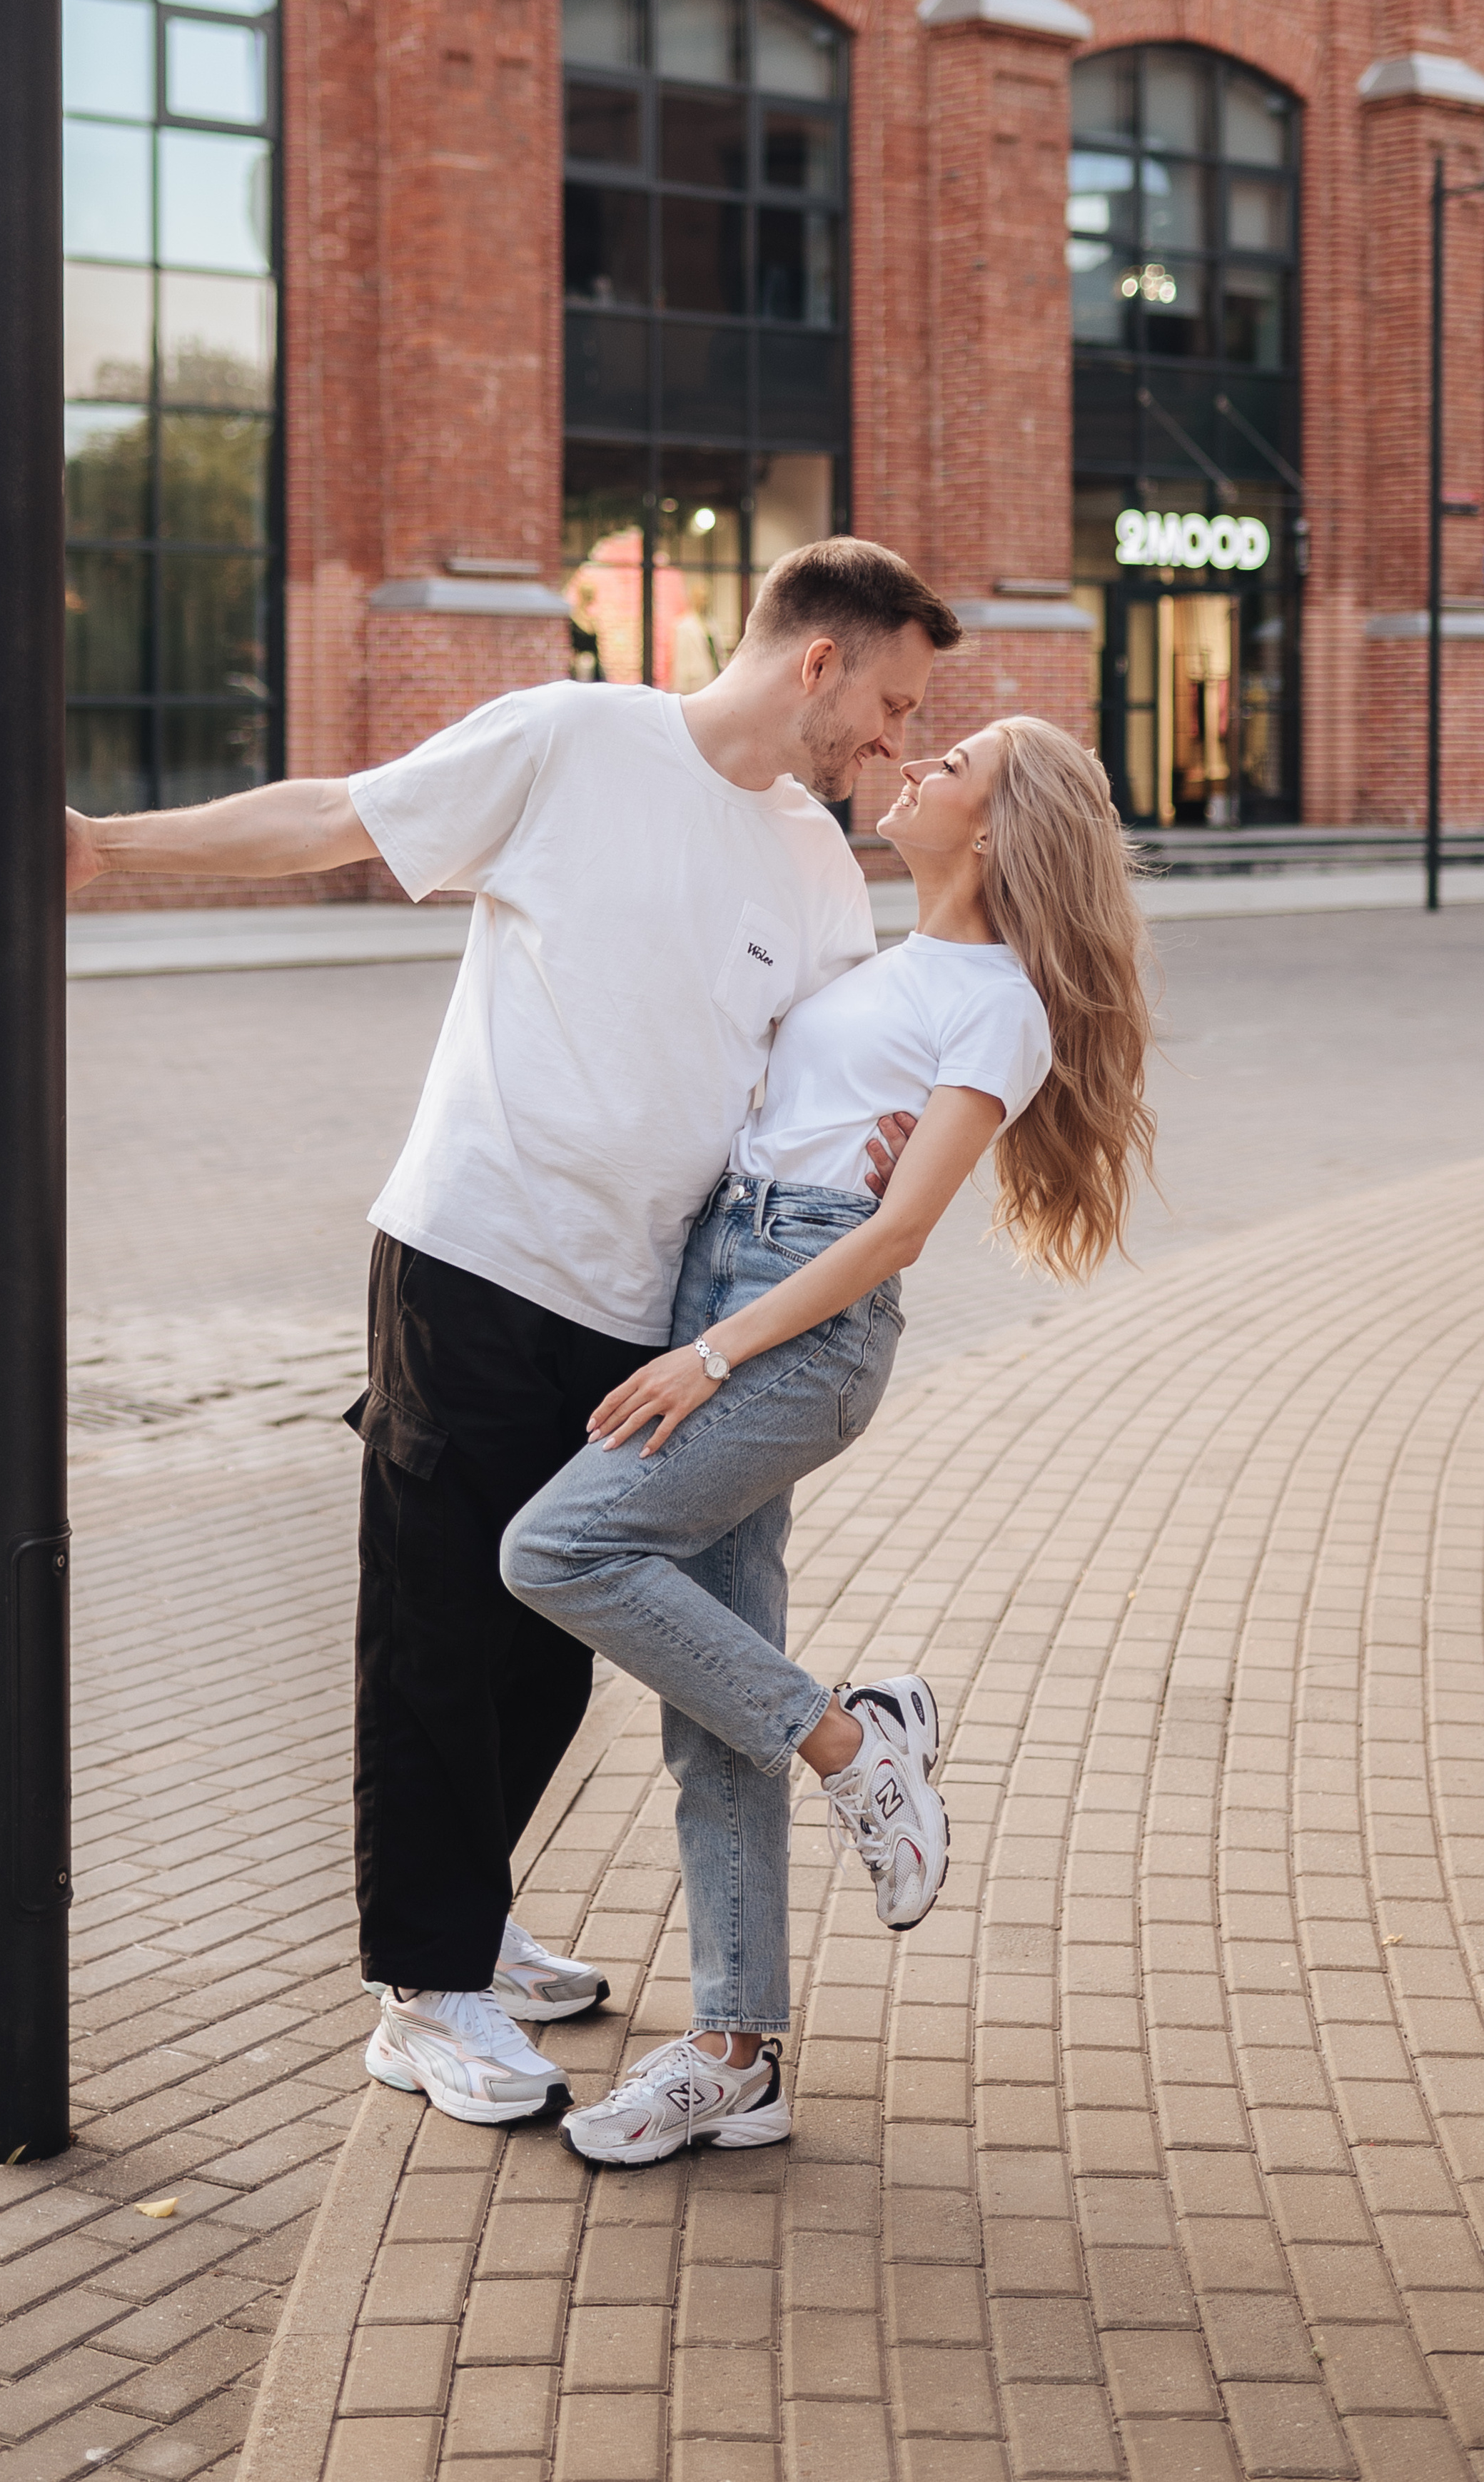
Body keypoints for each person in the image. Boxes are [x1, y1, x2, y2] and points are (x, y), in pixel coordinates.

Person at [0, 538, 963, 2128]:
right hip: (476, 1256)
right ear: (818, 664)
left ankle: (472, 1922)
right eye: (893, 703)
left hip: (647, 1312)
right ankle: (419, 1992)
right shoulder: (575, 741)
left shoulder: (819, 868)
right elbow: (340, 815)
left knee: (549, 1642)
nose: (896, 744)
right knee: (436, 1625)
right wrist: (107, 844)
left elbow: (827, 1070)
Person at [498, 716, 1156, 2164]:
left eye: (953, 767)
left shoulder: (998, 1002)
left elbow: (901, 1224)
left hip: (792, 1332)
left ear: (993, 832)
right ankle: (736, 2051)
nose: (914, 771)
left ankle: (854, 1742)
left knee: (554, 1544)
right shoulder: (882, 961)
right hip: (728, 1277)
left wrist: (711, 1348)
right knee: (705, 1701)